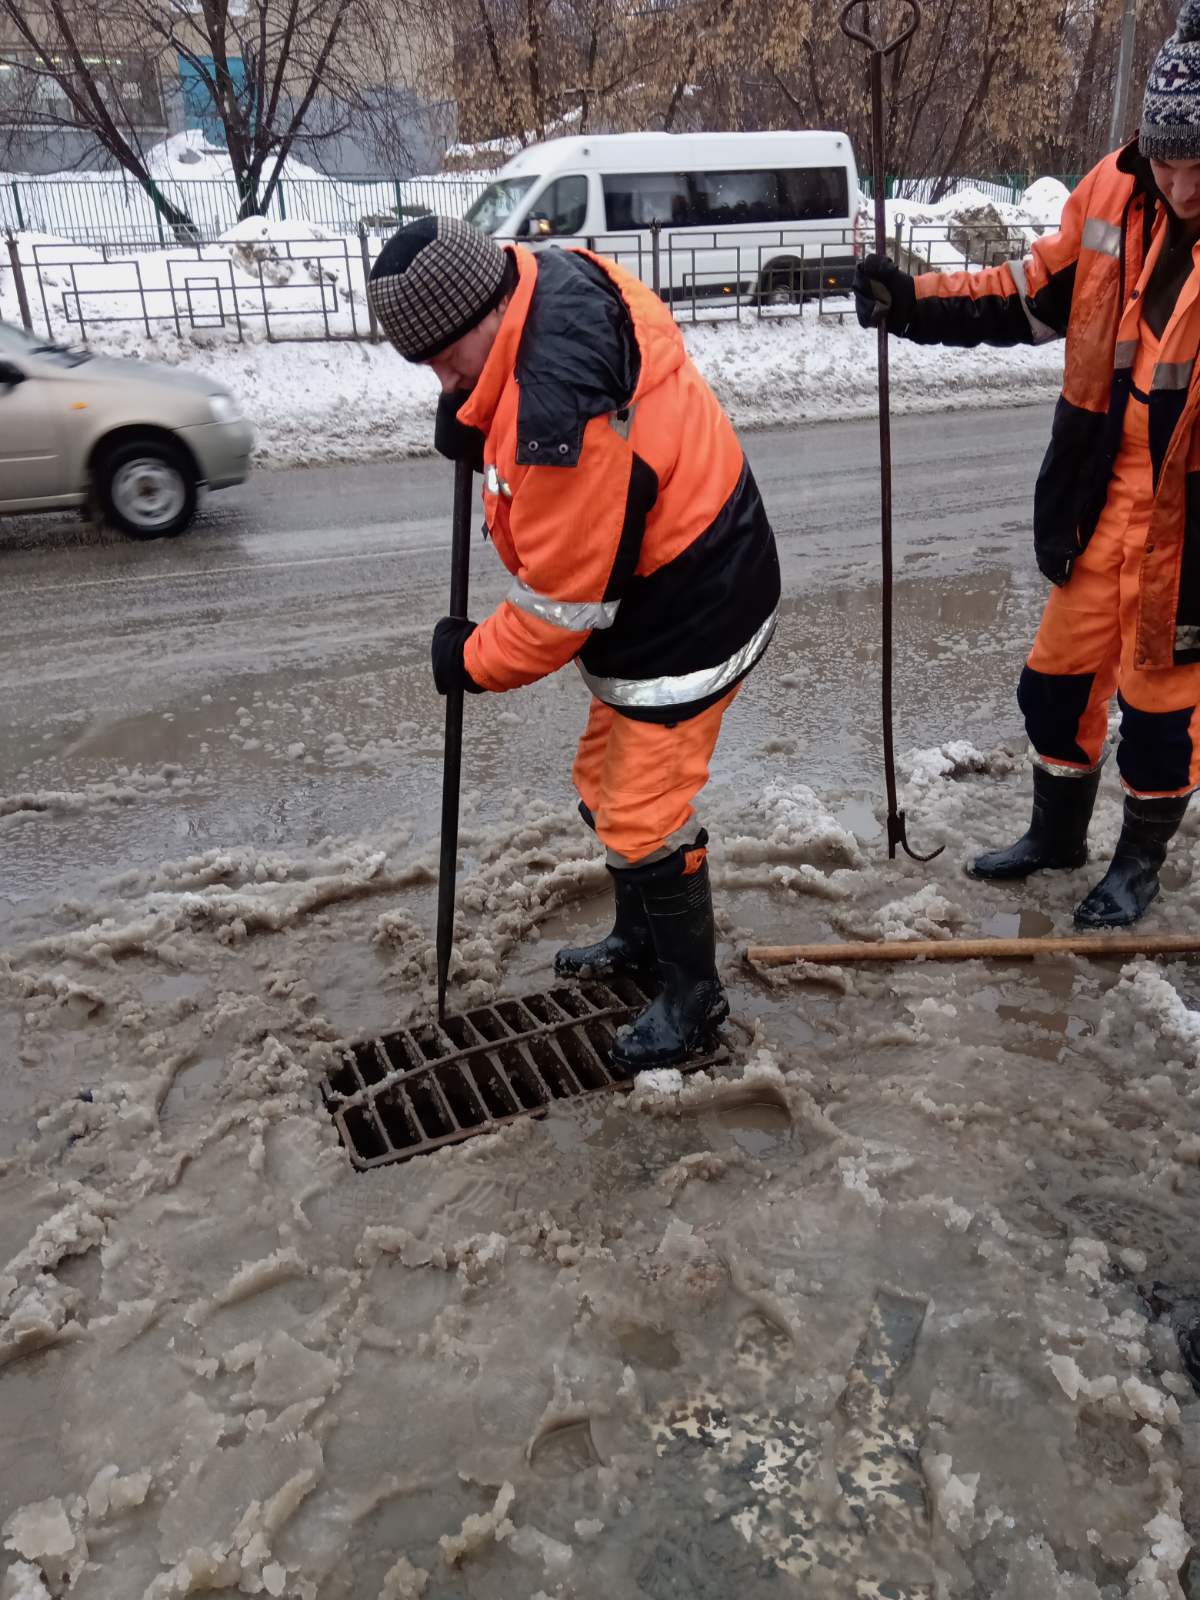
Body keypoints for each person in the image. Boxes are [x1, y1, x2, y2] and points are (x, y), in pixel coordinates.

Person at [367, 216, 780, 1070]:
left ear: (489, 305)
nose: (443, 379)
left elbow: (559, 614)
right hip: (668, 573)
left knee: (641, 814)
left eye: (448, 358)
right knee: (603, 786)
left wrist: (467, 659)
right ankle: (642, 941)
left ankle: (693, 1001)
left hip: (696, 603)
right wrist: (476, 416)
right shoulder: (539, 277)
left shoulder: (561, 420)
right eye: (428, 367)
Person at [852, 0, 1200, 930]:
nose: (1182, 184)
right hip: (1101, 494)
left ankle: (1138, 865)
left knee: (1162, 714)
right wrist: (912, 299)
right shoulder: (1115, 194)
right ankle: (1058, 836)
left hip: (1189, 525)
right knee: (1052, 684)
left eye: (1198, 163)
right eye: (1167, 159)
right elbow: (1029, 294)